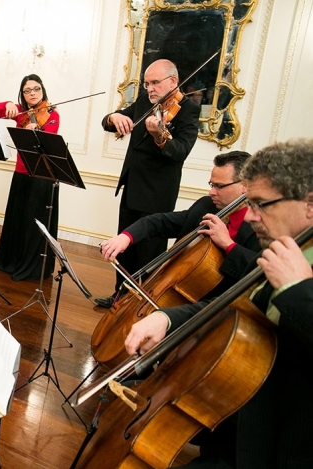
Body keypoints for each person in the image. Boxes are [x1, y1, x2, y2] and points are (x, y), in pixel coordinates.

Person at [124, 139, 313, 468]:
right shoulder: (288, 246)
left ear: (309, 205)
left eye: (261, 204)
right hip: (232, 421)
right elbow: (237, 304)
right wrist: (168, 319)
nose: (251, 216)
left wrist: (296, 289)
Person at [94, 59, 201, 308]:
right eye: (146, 83)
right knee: (124, 248)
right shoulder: (145, 101)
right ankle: (120, 296)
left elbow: (180, 151)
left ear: (173, 82)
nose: (149, 88)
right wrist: (114, 116)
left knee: (149, 252)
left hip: (157, 194)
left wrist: (160, 136)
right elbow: (107, 122)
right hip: (132, 187)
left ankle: (143, 303)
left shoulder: (188, 110)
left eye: (154, 83)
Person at [99, 151, 260, 294]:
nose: (212, 192)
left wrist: (227, 244)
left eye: (219, 186)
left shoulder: (262, 225)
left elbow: (260, 271)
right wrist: (125, 237)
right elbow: (158, 222)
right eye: (212, 185)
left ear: (245, 186)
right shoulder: (206, 205)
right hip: (173, 290)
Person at [0, 74, 60, 281]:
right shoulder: (21, 113)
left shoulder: (52, 114)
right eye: (27, 91)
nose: (32, 94)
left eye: (36, 89)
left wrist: (36, 131)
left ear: (42, 90)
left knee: (33, 224)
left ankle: (33, 268)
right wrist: (9, 103)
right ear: (23, 94)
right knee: (17, 221)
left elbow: (51, 137)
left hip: (42, 176)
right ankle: (10, 262)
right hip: (21, 173)